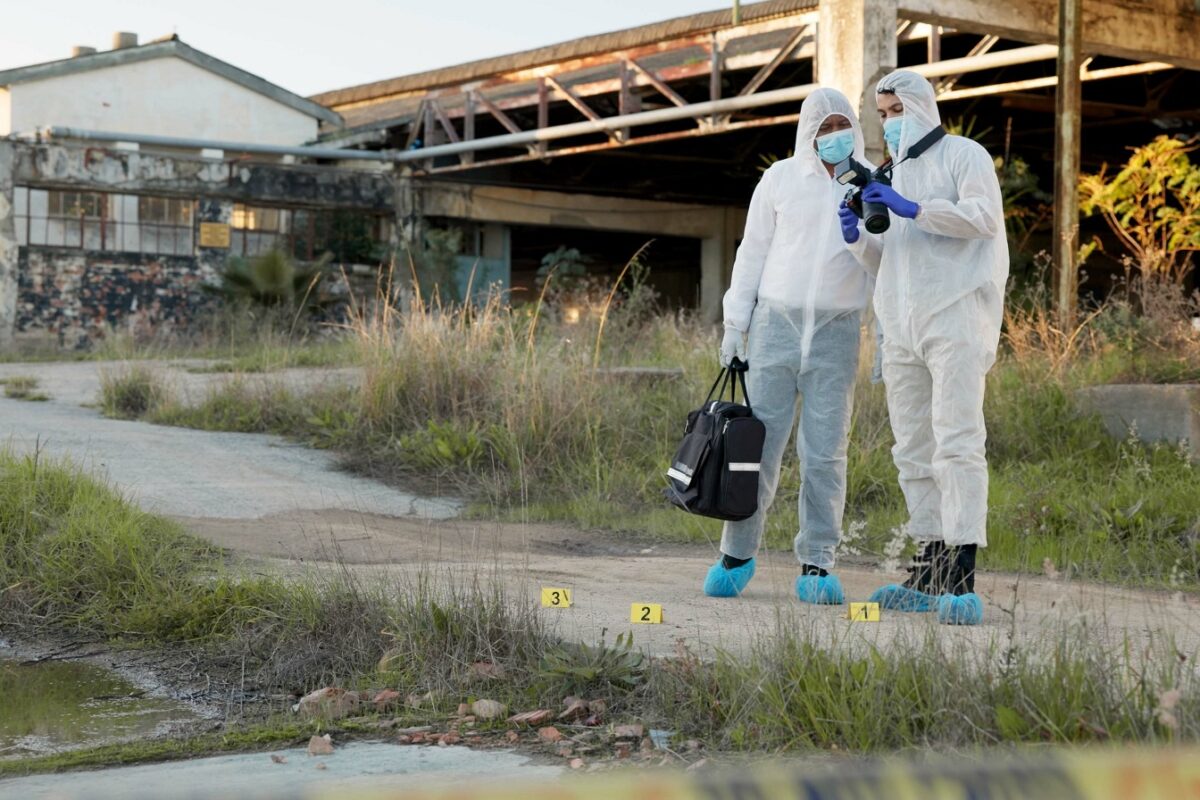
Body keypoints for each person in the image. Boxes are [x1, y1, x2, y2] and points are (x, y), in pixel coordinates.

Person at [837, 69, 1009, 625]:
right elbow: (888, 261)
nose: (887, 123)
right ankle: (930, 564)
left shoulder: (964, 156)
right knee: (911, 448)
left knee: (957, 441)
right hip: (901, 325)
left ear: (919, 106)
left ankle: (962, 572)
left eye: (894, 111)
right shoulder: (890, 171)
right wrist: (858, 235)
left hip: (955, 314)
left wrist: (915, 209)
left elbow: (983, 219)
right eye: (881, 114)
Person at [705, 88, 873, 604]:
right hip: (775, 326)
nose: (832, 137)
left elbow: (886, 260)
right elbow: (751, 251)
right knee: (757, 448)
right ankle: (737, 552)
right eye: (823, 129)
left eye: (840, 126)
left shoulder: (870, 182)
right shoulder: (779, 178)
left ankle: (818, 563)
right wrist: (737, 325)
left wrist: (884, 331)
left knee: (826, 452)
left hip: (837, 330)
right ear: (807, 132)